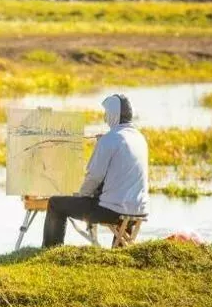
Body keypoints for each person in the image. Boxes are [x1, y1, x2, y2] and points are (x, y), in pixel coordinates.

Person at [42, 94, 148, 248]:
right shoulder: (139, 138)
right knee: (113, 199)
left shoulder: (110, 139)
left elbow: (94, 176)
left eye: (106, 114)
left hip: (111, 211)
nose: (105, 118)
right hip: (138, 209)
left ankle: (50, 251)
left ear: (113, 114)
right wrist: (104, 142)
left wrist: (81, 195)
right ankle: (120, 251)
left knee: (56, 203)